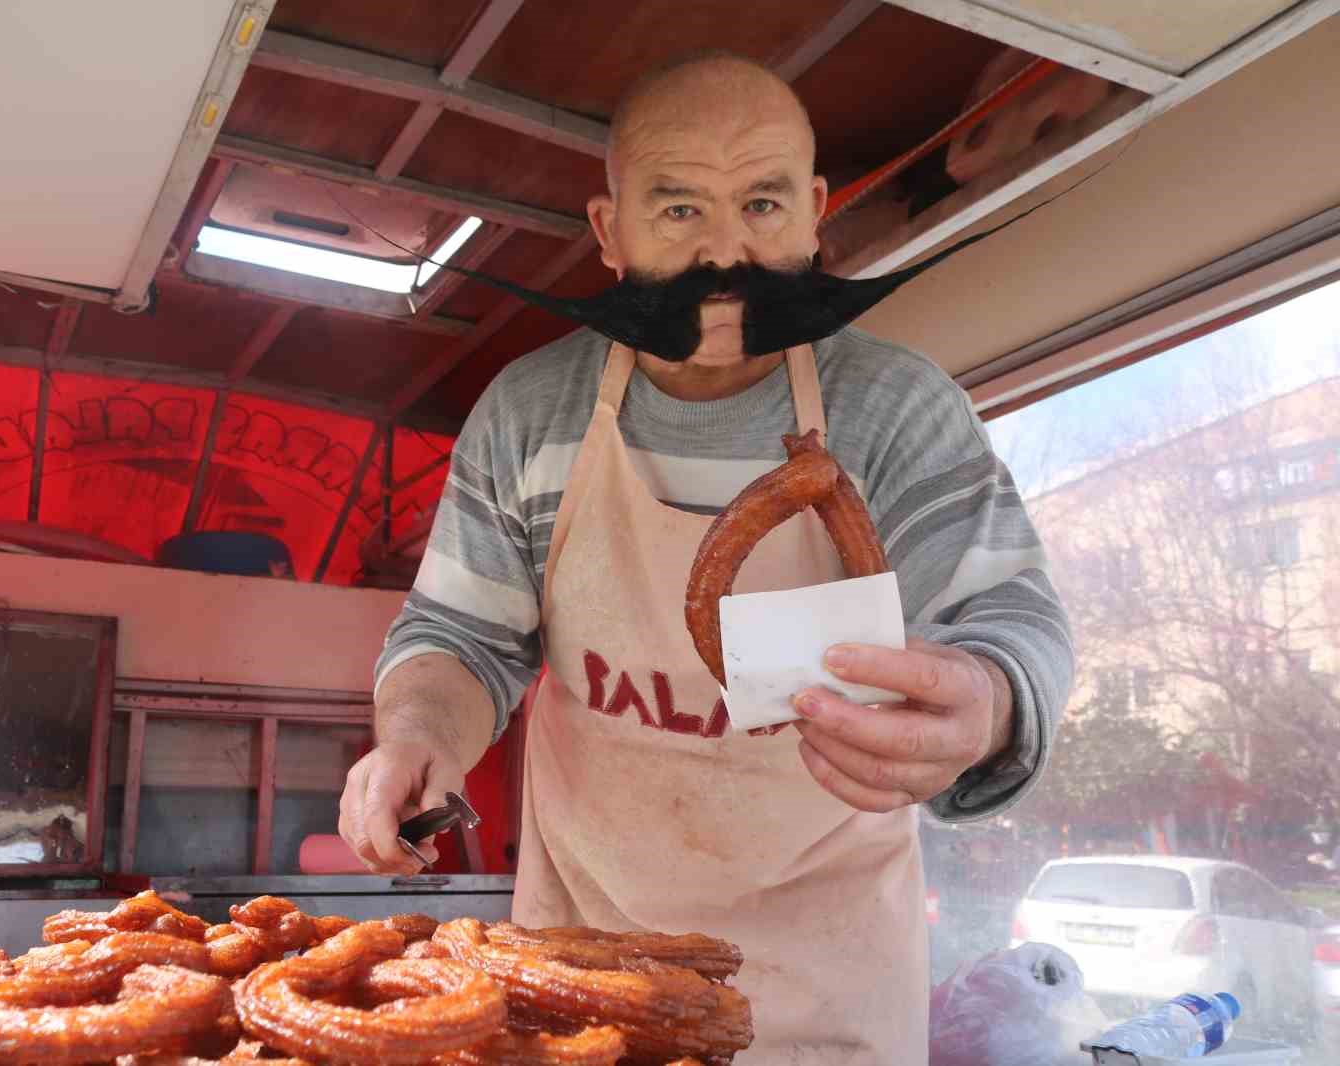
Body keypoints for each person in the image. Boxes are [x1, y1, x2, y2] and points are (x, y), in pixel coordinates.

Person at [338, 51, 1074, 1062]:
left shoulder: (894, 409)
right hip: (581, 971)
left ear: (814, 215)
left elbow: (1007, 618)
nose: (725, 252)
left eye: (763, 204)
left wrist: (985, 700)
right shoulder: (529, 413)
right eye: (679, 210)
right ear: (610, 231)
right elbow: (458, 635)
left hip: (828, 984)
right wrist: (418, 731)